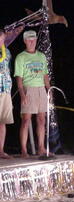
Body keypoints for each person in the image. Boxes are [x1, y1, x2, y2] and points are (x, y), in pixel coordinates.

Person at [14, 30, 51, 158]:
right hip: (28, 88)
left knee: (41, 120)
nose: (32, 41)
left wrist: (49, 90)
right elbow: (18, 78)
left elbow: (45, 75)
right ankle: (24, 150)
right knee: (26, 120)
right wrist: (22, 94)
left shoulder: (41, 56)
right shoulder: (21, 57)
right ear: (25, 41)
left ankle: (41, 147)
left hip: (41, 89)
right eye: (29, 39)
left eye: (33, 39)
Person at [0, 29, 14, 159]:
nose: (1, 41)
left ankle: (1, 150)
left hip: (5, 89)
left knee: (3, 121)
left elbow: (7, 69)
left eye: (2, 39)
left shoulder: (7, 52)